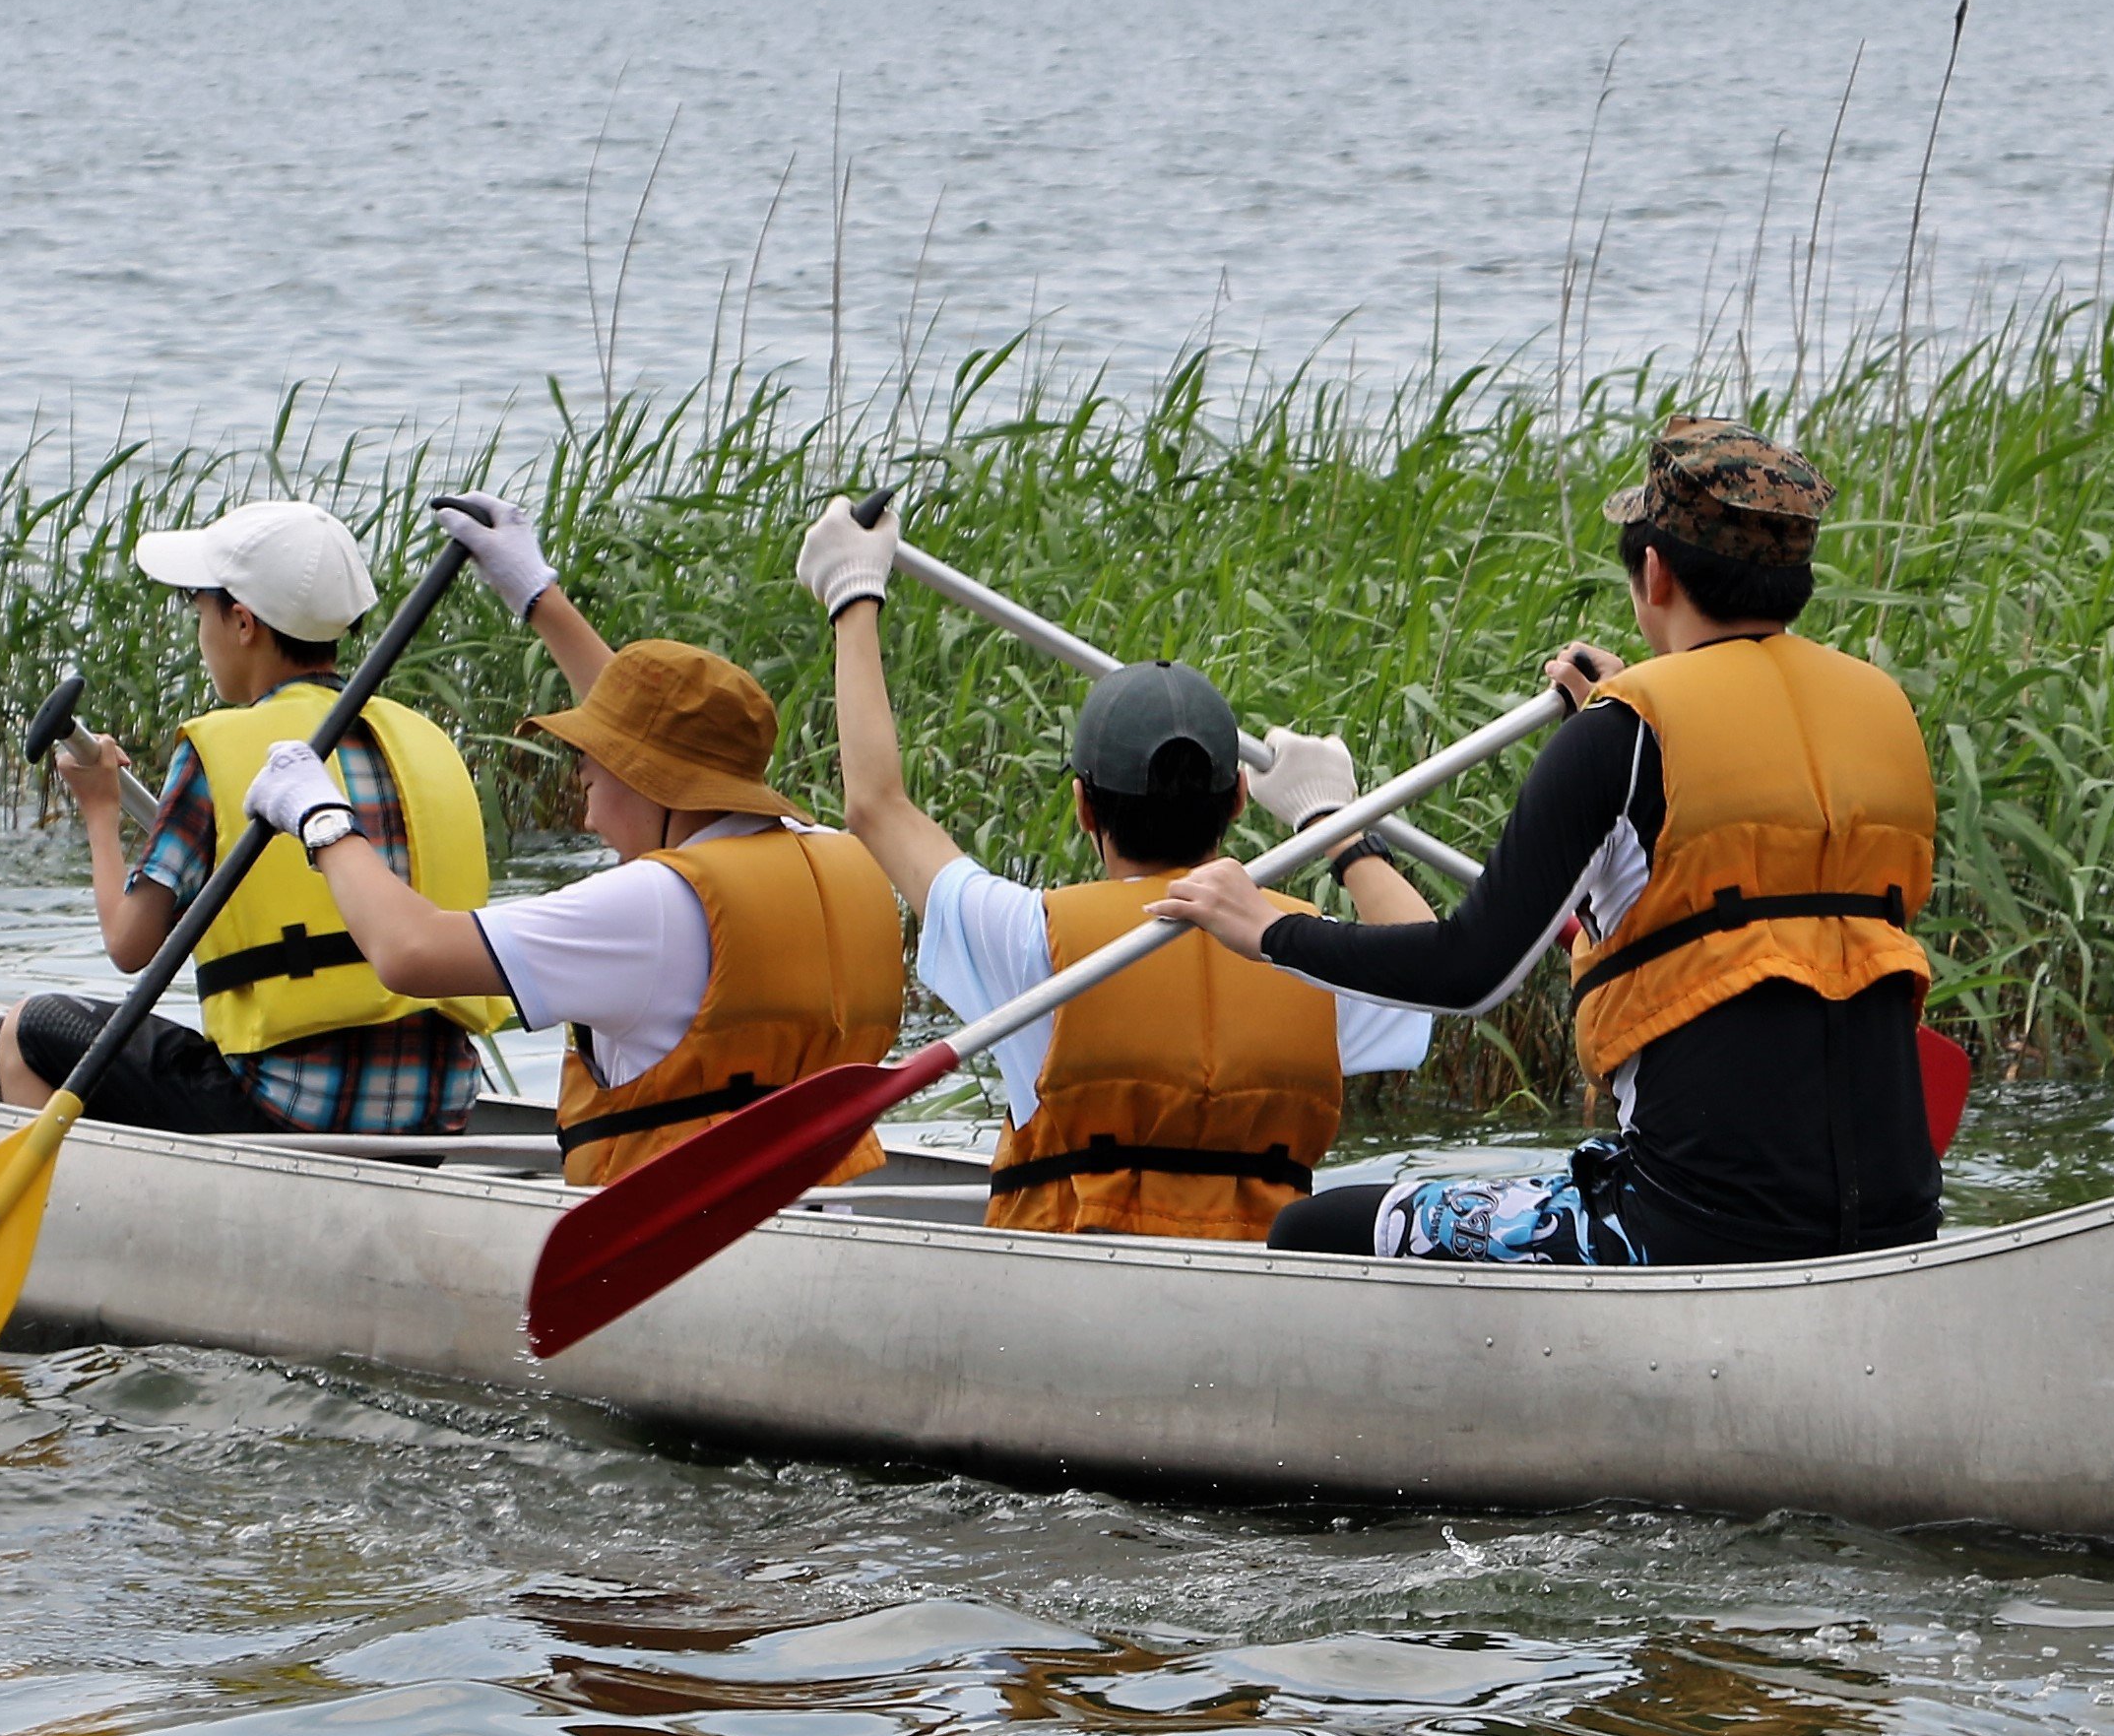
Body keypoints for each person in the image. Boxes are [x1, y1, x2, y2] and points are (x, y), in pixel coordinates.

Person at [1150, 418, 1939, 1268]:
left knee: (1316, 1227)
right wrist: (1633, 692)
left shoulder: (1619, 739)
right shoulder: (1881, 715)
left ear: (1654, 570)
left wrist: (1262, 930)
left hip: (1695, 1226)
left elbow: (1469, 974)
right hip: (1899, 1210)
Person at [792, 494, 1438, 1242]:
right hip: (1264, 1293)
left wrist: (852, 593)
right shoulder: (1307, 951)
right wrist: (1333, 823)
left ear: (1083, 808)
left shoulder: (1031, 941)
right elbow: (1423, 957)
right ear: (1237, 799)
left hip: (1077, 1290)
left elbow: (875, 805)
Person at [241, 491, 909, 1188]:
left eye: (588, 779)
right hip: (816, 1207)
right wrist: (537, 595)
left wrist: (322, 818)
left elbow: (410, 954)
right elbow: (660, 745)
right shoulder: (827, 853)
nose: (586, 812)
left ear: (645, 779)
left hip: (669, 1235)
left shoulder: (653, 906)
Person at [0, 497, 511, 1136]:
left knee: (28, 1027)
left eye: (200, 614)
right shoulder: (426, 741)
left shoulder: (222, 747)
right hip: (438, 1114)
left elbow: (129, 946)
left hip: (287, 1110)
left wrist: (100, 811)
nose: (200, 635)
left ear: (242, 623)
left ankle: (60, 1223)